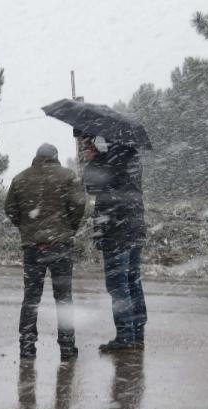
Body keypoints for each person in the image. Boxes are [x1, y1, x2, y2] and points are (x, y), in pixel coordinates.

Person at [5, 143, 86, 360]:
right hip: (60, 246)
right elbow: (79, 205)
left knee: (31, 298)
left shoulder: (21, 178)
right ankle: (67, 348)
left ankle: (27, 346)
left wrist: (26, 227)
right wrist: (69, 228)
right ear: (56, 157)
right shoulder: (68, 176)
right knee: (64, 299)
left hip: (33, 248)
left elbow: (10, 208)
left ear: (37, 156)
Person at [75, 129, 148, 352]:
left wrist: (90, 161)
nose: (87, 147)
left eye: (88, 143)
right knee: (133, 282)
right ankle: (137, 334)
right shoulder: (131, 156)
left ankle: (125, 337)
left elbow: (92, 187)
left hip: (117, 230)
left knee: (118, 286)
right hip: (134, 228)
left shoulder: (110, 160)